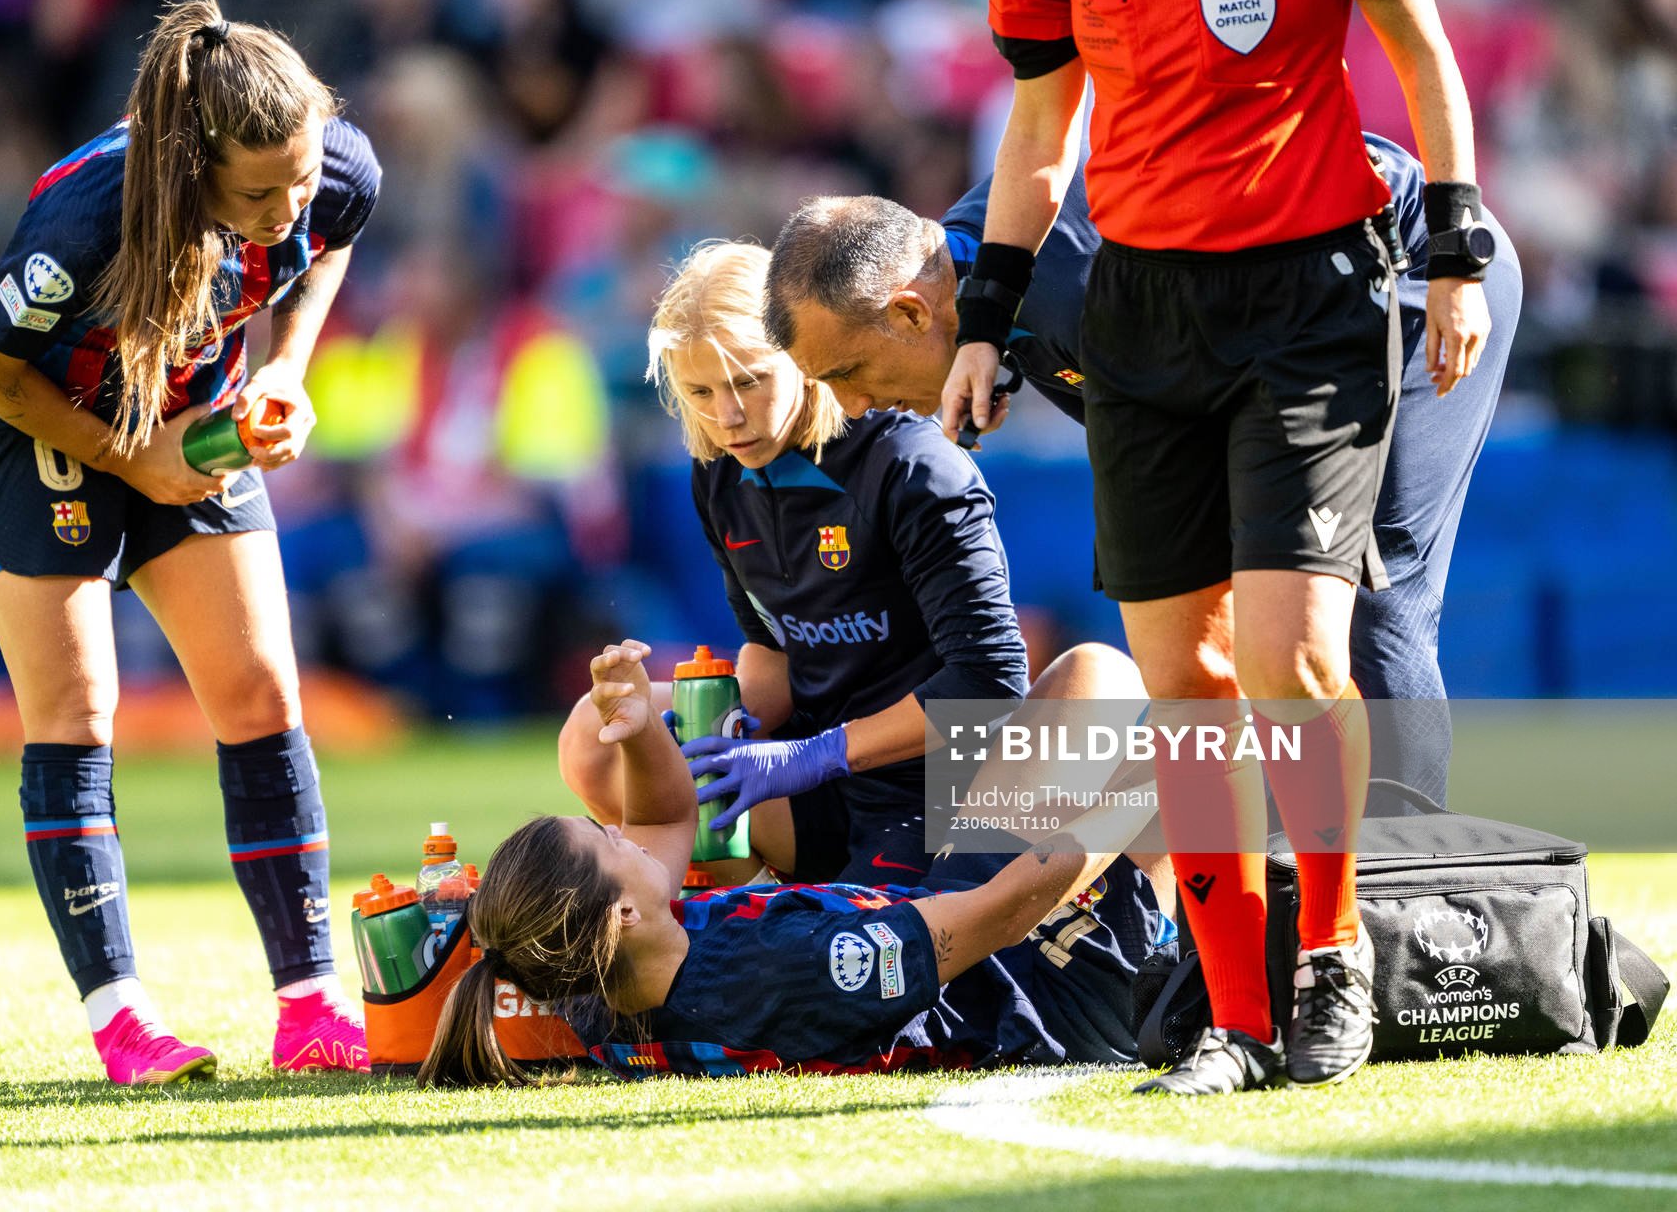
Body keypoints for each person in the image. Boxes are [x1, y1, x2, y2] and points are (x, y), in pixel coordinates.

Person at [933, 0, 1496, 1094]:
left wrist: (1456, 249)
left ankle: (1332, 958)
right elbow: (1043, 125)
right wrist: (986, 316)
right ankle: (1234, 1018)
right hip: (1139, 316)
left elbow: (1423, 49)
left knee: (1288, 654)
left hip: (1313, 302)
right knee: (1184, 674)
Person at [763, 131, 1522, 805]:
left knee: (1365, 590)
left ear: (910, 313)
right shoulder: (978, 273)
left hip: (1411, 269)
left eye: (847, 371)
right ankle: (1290, 878)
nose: (853, 404)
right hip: (1272, 318)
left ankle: (1407, 896)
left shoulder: (1083, 290)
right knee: (1225, 617)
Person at [0, 0, 381, 1086]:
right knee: (80, 713)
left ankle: (313, 1003)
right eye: (258, 191)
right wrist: (136, 458)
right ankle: (124, 1018)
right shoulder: (88, 220)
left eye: (301, 177)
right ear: (193, 170)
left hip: (183, 415)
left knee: (261, 694)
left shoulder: (335, 168)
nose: (288, 207)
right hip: (31, 423)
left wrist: (284, 368)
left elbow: (329, 246)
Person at [426, 639, 1168, 1088]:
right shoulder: (799, 966)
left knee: (1077, 730)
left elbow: (661, 816)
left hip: (947, 924)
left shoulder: (603, 980)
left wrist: (641, 730)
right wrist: (1136, 788)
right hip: (1040, 993)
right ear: (619, 911)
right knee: (1100, 685)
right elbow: (1005, 908)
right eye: (608, 842)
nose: (624, 833)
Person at [557, 241, 1029, 886]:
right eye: (700, 391)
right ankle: (720, 901)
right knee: (595, 729)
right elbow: (775, 654)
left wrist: (809, 757)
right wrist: (696, 718)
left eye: (750, 380)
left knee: (1106, 684)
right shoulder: (718, 474)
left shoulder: (915, 468)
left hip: (942, 781)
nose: (727, 417)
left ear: (802, 356)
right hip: (817, 773)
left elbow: (992, 687)